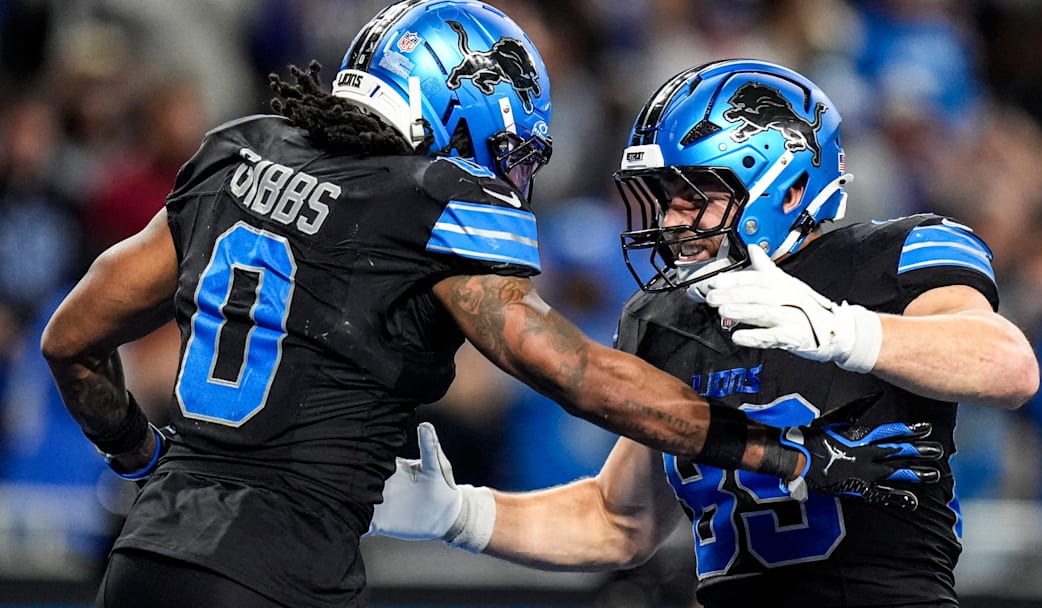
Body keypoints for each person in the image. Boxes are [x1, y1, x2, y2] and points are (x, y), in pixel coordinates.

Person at [40, 4, 940, 605]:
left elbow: (72, 339)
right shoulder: (429, 200)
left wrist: (140, 456)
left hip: (146, 561)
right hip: (281, 568)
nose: (504, 171)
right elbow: (577, 375)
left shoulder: (238, 152)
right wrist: (779, 453)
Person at [366, 59, 1041, 607]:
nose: (673, 218)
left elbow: (1007, 364)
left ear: (781, 182)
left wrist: (846, 332)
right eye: (666, 195)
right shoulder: (668, 319)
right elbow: (617, 519)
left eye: (698, 193)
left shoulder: (885, 260)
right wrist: (459, 514)